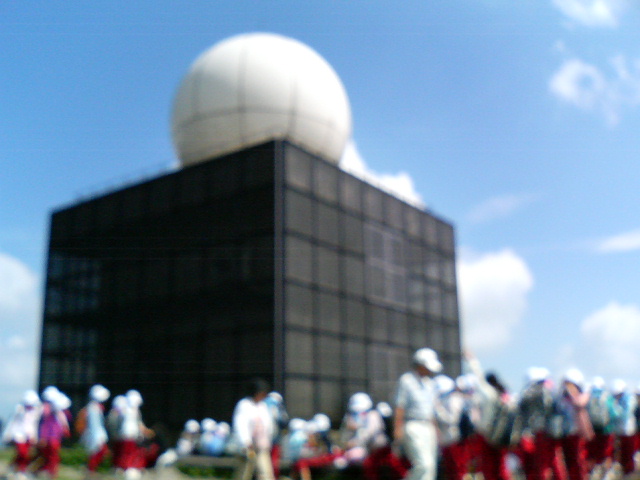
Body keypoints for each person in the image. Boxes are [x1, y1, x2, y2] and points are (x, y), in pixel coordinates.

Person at [393, 347, 442, 480]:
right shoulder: (407, 380)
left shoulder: (431, 384)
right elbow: (400, 406)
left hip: (428, 427)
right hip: (413, 425)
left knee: (431, 467)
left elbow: (431, 410)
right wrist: (397, 428)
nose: (430, 370)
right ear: (420, 364)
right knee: (423, 465)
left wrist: (436, 429)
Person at [232, 378, 275, 480]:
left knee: (265, 473)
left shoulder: (263, 406)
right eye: (261, 393)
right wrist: (246, 441)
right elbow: (240, 424)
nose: (263, 396)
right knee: (244, 472)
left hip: (261, 445)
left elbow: (268, 424)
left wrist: (268, 439)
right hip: (247, 446)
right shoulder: (244, 405)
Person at [556, 368, 594, 480]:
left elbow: (579, 403)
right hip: (566, 432)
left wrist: (572, 392)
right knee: (569, 459)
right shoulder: (561, 396)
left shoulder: (581, 395)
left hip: (576, 431)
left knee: (578, 459)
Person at [2, 390, 42, 476]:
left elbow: (34, 425)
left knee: (26, 454)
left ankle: (17, 469)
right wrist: (7, 435)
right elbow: (12, 422)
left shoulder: (36, 411)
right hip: (18, 434)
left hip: (29, 435)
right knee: (22, 452)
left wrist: (34, 437)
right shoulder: (19, 409)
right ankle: (19, 470)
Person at [37, 386, 71, 479]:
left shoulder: (54, 409)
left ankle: (50, 472)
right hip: (49, 437)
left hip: (54, 436)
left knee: (52, 455)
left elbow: (62, 419)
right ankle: (46, 471)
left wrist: (65, 428)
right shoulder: (45, 409)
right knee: (47, 455)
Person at [80, 384, 111, 473]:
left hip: (96, 434)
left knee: (99, 452)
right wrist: (98, 436)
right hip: (96, 435)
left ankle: (91, 469)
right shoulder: (93, 408)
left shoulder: (94, 407)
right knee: (98, 452)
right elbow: (94, 424)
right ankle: (90, 469)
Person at [609, 379, 637, 477]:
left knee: (628, 454)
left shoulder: (629, 399)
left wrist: (615, 410)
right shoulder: (617, 400)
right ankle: (624, 472)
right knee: (620, 453)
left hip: (628, 431)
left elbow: (625, 414)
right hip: (619, 431)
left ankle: (629, 473)